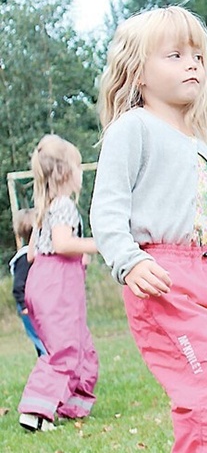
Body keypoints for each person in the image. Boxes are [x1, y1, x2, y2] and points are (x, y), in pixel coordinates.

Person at [91, 6, 207, 452]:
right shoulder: (133, 128)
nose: (192, 64)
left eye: (199, 57)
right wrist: (128, 261)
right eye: (175, 55)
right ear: (139, 73)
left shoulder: (200, 138)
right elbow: (106, 208)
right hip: (163, 278)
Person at [17, 135, 100, 432]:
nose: (81, 174)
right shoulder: (63, 204)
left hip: (45, 283)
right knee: (64, 349)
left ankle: (69, 405)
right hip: (57, 287)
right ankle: (34, 411)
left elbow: (32, 252)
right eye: (78, 167)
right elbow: (63, 244)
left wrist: (80, 254)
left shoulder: (46, 207)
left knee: (81, 346)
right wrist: (99, 244)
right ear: (66, 172)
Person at [9, 208, 47, 357]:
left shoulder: (38, 253)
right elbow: (18, 286)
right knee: (41, 341)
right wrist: (24, 306)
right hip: (29, 306)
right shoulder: (25, 257)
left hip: (39, 304)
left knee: (44, 340)